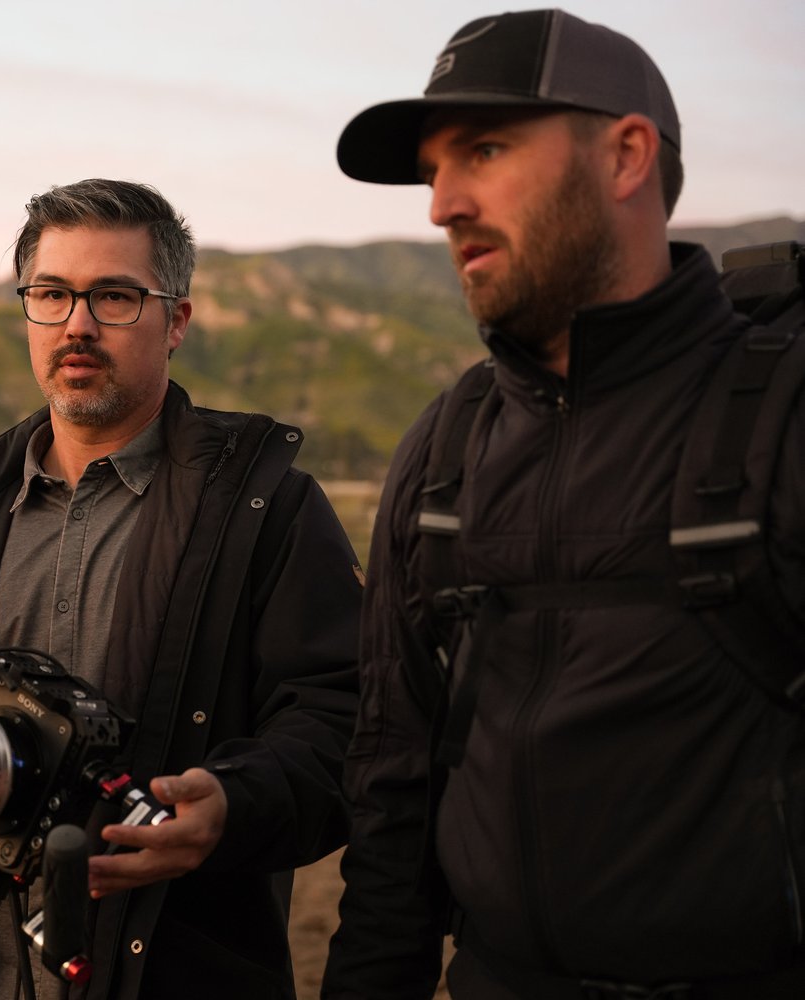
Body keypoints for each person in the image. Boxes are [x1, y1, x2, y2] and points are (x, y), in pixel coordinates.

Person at [324, 10, 805, 998]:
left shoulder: (784, 417)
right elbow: (392, 790)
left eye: (485, 150)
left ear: (627, 155)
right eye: (431, 172)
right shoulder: (444, 450)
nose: (441, 206)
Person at [0, 178, 363, 1000]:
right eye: (51, 294)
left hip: (179, 967)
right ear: (27, 313)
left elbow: (340, 721)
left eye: (114, 295)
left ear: (176, 320)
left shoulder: (267, 509)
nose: (77, 324)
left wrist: (228, 806)